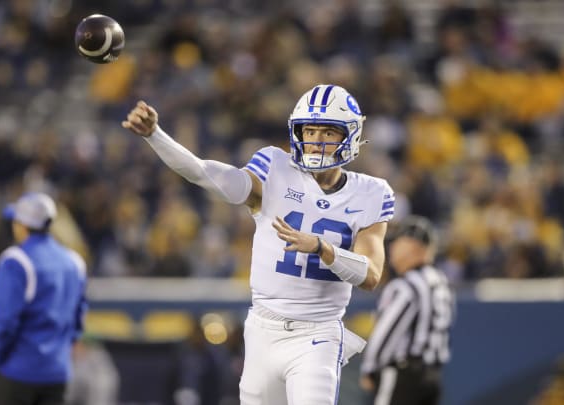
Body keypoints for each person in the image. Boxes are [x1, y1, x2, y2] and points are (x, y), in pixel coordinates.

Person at [122, 84, 395, 405]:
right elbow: (204, 173)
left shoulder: (372, 192)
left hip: (318, 333)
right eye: (310, 130)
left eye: (328, 132)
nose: (317, 141)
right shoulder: (275, 167)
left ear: (350, 136)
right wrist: (156, 135)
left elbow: (371, 274)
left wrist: (324, 249)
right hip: (264, 329)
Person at [0, 192, 88, 405]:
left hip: (16, 372)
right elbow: (78, 321)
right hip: (58, 373)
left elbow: (5, 321)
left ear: (21, 225)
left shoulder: (16, 260)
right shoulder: (75, 262)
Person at [359, 216, 455, 405]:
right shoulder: (441, 282)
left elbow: (385, 331)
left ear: (413, 246)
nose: (391, 249)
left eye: (397, 243)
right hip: (432, 375)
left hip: (402, 373)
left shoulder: (405, 286)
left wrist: (370, 367)